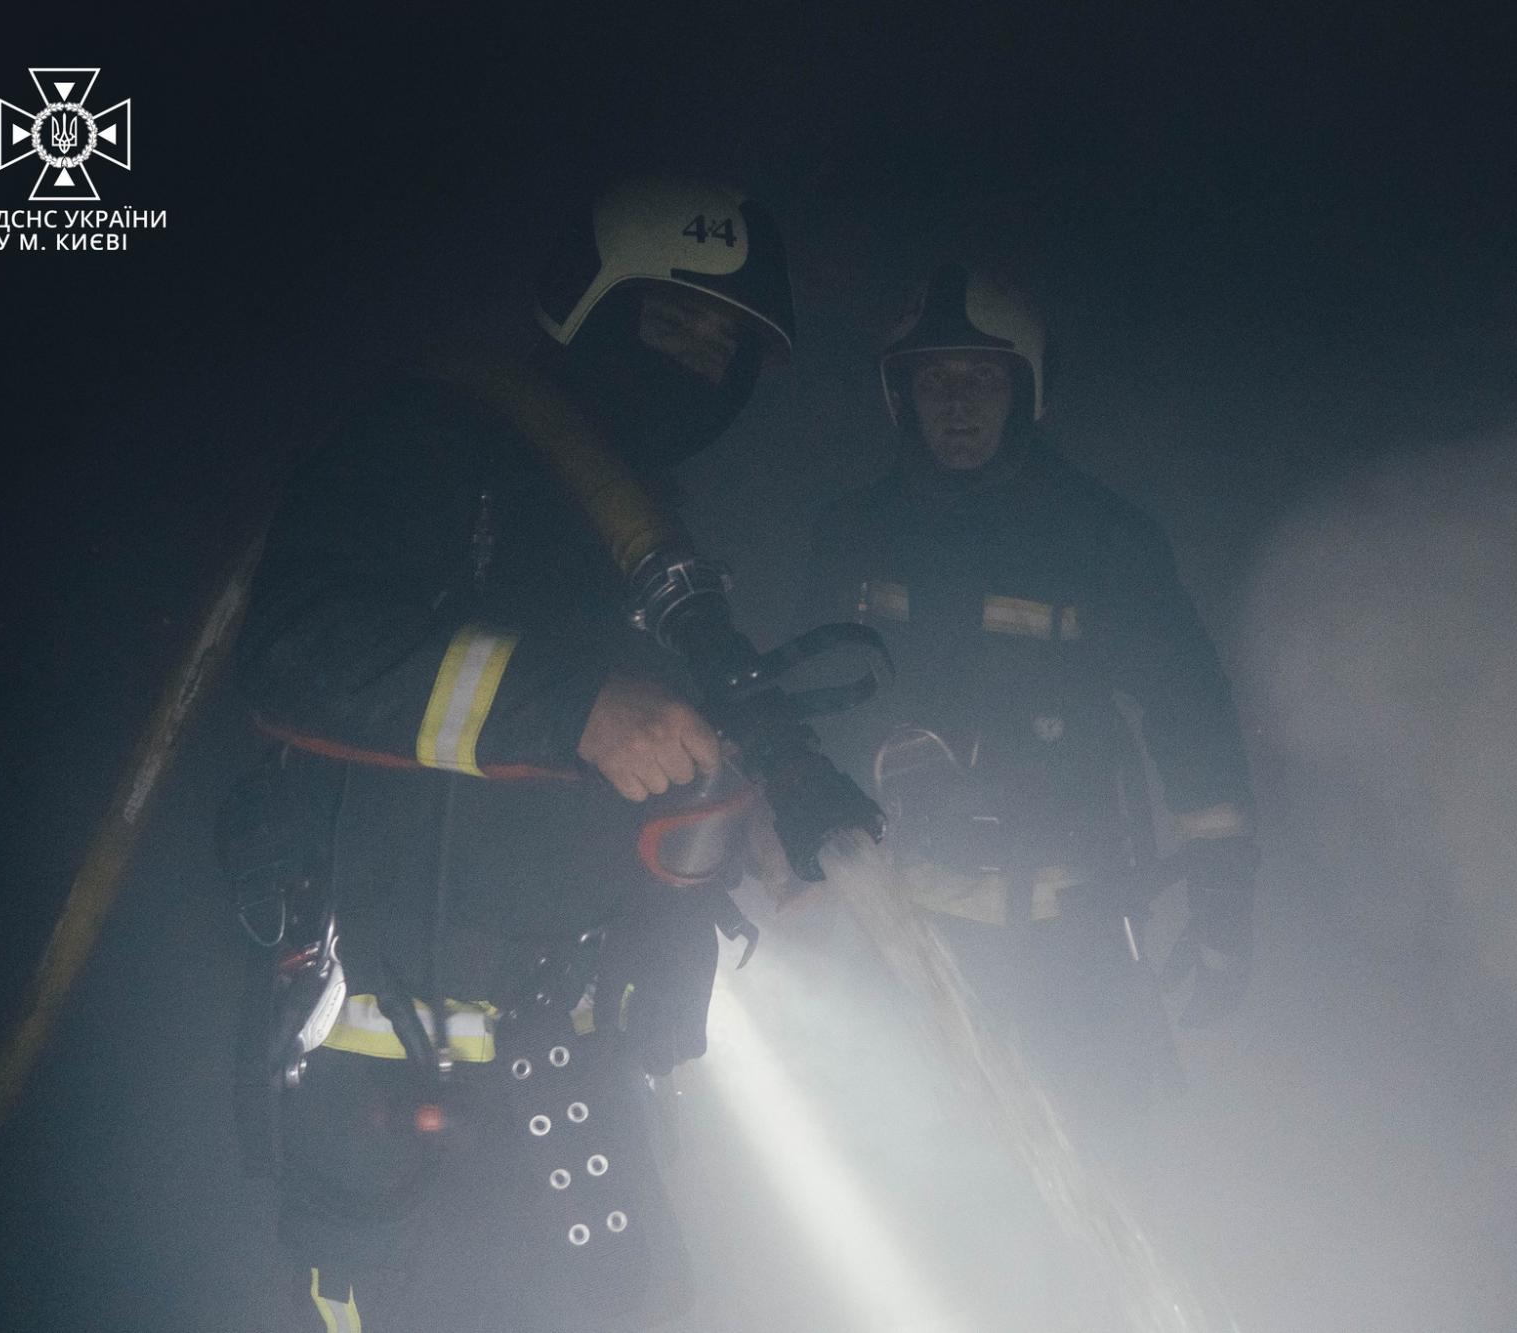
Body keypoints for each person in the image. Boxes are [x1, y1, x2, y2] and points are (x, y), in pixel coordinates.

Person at [226, 176, 795, 1332]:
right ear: (583, 305)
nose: (691, 360)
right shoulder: (430, 444)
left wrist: (714, 875)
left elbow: (656, 789)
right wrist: (570, 704)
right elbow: (295, 648)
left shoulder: (653, 546)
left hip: (582, 1093)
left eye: (720, 344)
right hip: (388, 1088)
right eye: (669, 320)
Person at [801, 262, 1260, 1147]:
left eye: (983, 378)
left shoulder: (1103, 538)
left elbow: (1189, 712)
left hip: (1071, 932)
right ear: (901, 396)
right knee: (904, 1173)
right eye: (934, 379)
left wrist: (1224, 894)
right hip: (895, 925)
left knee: (1098, 1152)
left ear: (1030, 388)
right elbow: (803, 708)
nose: (958, 402)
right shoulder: (851, 535)